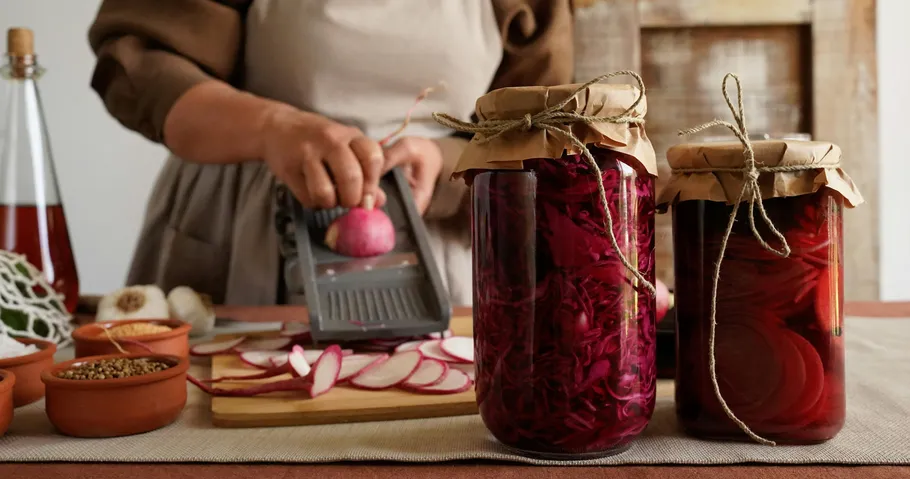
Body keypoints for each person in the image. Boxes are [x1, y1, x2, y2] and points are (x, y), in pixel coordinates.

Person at [87, 0, 574, 306]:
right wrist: (271, 127)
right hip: (241, 233)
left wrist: (447, 162)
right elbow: (138, 64)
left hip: (442, 244)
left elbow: (540, 129)